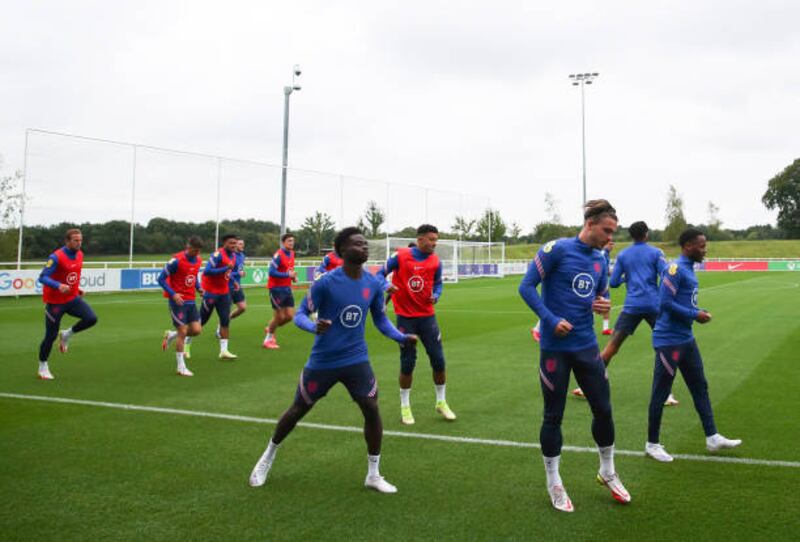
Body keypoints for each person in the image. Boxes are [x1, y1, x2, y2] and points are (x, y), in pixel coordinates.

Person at [248, 227, 418, 493]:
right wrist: (313, 327)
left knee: (371, 408)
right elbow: (301, 314)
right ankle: (267, 456)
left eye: (365, 244)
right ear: (342, 250)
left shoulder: (373, 282)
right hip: (323, 361)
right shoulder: (326, 282)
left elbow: (380, 319)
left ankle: (373, 474)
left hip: (357, 359)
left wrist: (400, 337)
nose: (364, 247)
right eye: (357, 244)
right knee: (297, 410)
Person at [519, 199, 630, 513]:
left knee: (604, 410)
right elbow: (526, 287)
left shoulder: (600, 258)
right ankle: (553, 479)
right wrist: (551, 320)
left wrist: (603, 303)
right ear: (590, 223)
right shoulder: (556, 250)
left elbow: (601, 293)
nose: (610, 238)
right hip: (555, 350)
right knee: (553, 416)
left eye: (614, 232)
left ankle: (607, 470)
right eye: (606, 231)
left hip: (587, 347)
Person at [645, 228, 742, 462]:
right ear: (688, 246)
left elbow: (683, 302)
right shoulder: (674, 269)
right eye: (701, 245)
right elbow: (665, 303)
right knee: (660, 392)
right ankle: (652, 444)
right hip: (669, 340)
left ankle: (712, 437)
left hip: (685, 338)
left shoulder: (688, 269)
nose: (705, 249)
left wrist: (696, 312)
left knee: (700, 386)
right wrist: (694, 314)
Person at [377, 226, 455, 425]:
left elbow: (438, 283)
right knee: (408, 361)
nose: (435, 243)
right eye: (431, 239)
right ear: (420, 239)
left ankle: (441, 402)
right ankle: (405, 406)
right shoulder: (401, 256)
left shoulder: (436, 261)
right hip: (406, 318)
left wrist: (436, 295)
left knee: (439, 360)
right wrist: (386, 286)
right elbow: (379, 274)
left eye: (436, 239)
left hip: (428, 318)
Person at [36, 228, 98, 380]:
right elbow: (43, 277)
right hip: (55, 302)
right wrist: (58, 286)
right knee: (50, 336)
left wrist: (78, 290)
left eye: (80, 240)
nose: (79, 243)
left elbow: (72, 277)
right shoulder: (56, 257)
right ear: (67, 241)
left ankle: (66, 334)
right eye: (76, 240)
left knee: (91, 319)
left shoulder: (80, 255)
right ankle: (43, 366)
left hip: (71, 298)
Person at [159, 236, 204, 376]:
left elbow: (194, 276)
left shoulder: (198, 260)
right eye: (194, 250)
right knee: (183, 332)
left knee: (196, 330)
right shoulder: (176, 260)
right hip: (177, 301)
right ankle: (180, 367)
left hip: (191, 300)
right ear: (188, 246)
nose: (196, 253)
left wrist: (199, 288)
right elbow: (160, 279)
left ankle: (171, 335)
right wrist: (173, 294)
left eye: (198, 251)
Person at [200, 234, 238, 360]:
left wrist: (233, 280)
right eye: (231, 243)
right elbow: (207, 271)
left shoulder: (233, 256)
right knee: (201, 322)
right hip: (211, 293)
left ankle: (224, 351)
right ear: (224, 243)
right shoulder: (217, 255)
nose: (234, 245)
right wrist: (225, 268)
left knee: (225, 321)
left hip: (224, 293)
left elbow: (227, 273)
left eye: (235, 243)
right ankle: (178, 337)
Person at [263, 233, 297, 349]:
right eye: (289, 241)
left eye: (292, 241)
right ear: (283, 243)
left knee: (289, 316)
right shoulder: (278, 255)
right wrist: (287, 274)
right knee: (279, 317)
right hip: (276, 289)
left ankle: (270, 328)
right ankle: (268, 340)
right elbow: (271, 272)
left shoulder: (292, 254)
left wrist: (292, 277)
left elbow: (289, 270)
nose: (291, 243)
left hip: (287, 288)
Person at [217, 238, 247, 338]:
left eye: (243, 243)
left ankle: (225, 321)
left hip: (237, 286)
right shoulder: (231, 256)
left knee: (242, 308)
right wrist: (237, 273)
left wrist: (242, 273)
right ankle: (219, 329)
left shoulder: (242, 256)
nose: (242, 245)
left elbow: (240, 269)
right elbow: (226, 272)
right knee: (225, 310)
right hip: (227, 286)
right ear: (235, 245)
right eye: (240, 244)